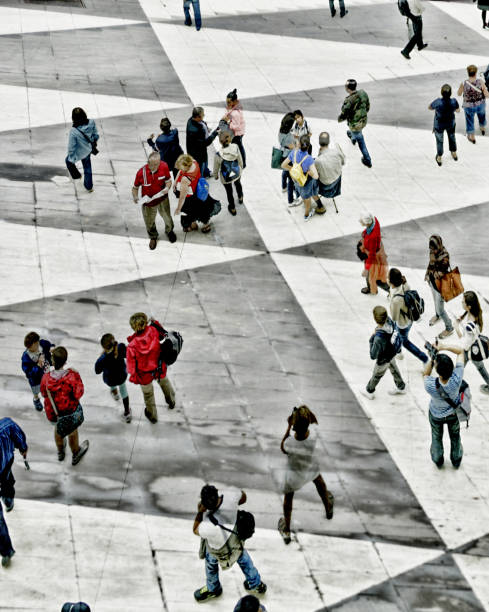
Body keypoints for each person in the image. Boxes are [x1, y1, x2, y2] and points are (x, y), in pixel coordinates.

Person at [193, 484, 267, 603]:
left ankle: (213, 589)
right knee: (244, 560)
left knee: (211, 565)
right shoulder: (230, 495)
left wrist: (199, 512)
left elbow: (195, 530)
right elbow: (243, 497)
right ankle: (256, 584)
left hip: (217, 549)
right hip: (236, 540)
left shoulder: (207, 525)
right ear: (217, 493)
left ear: (204, 504)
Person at [277, 406, 334, 545]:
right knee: (321, 485)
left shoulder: (290, 442)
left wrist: (288, 426)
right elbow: (308, 423)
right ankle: (328, 508)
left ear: (294, 426)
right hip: (310, 469)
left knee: (288, 500)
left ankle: (286, 530)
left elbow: (283, 447)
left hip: (294, 475)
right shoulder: (313, 436)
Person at [41, 346, 89, 466]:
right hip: (70, 412)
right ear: (65, 361)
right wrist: (77, 374)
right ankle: (76, 453)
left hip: (54, 414)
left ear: (52, 361)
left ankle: (61, 452)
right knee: (72, 433)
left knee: (58, 430)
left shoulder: (46, 378)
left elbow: (43, 393)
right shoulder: (71, 376)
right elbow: (79, 393)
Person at [126, 312, 175, 424]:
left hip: (144, 375)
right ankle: (171, 401)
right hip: (159, 367)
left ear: (133, 327)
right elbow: (164, 334)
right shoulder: (153, 330)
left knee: (148, 395)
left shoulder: (132, 346)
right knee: (165, 383)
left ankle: (152, 415)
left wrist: (134, 375)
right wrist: (154, 322)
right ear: (145, 322)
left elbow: (131, 368)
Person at [423, 344, 464, 468]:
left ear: (437, 370)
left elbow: (425, 373)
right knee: (455, 437)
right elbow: (461, 352)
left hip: (436, 414)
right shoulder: (457, 379)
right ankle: (456, 460)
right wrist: (442, 347)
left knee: (436, 437)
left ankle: (437, 459)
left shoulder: (429, 385)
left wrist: (432, 359)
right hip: (453, 414)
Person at [132, 151, 176, 250]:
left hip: (162, 199)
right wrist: (135, 197)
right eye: (153, 164)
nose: (155, 166)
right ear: (148, 162)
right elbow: (135, 188)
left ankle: (169, 231)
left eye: (157, 164)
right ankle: (153, 236)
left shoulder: (164, 166)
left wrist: (167, 188)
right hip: (148, 203)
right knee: (149, 221)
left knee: (167, 217)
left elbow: (168, 181)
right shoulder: (141, 173)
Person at [362, 305, 407, 400]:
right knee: (394, 368)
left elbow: (373, 355)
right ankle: (401, 386)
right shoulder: (390, 321)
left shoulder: (379, 337)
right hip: (392, 352)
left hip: (384, 358)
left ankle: (369, 391)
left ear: (375, 319)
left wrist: (372, 339)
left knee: (377, 374)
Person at [281, 135, 326, 221]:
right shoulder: (309, 159)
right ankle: (307, 214)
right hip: (306, 181)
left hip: (297, 179)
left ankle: (319, 205)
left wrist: (293, 169)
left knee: (305, 193)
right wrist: (309, 172)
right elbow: (316, 176)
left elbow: (283, 165)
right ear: (308, 146)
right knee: (307, 197)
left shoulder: (293, 153)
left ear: (298, 144)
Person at [452, 291, 489, 394]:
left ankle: (452, 388)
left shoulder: (469, 325)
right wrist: (462, 318)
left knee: (459, 368)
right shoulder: (475, 312)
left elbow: (465, 344)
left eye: (463, 302)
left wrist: (457, 328)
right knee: (480, 367)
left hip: (470, 350)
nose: (461, 303)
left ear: (469, 306)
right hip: (475, 346)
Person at [389, 268, 428, 363]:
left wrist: (392, 305)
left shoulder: (396, 300)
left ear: (390, 281)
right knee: (397, 335)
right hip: (410, 318)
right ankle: (398, 352)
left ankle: (424, 358)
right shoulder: (404, 285)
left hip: (403, 324)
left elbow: (394, 317)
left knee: (405, 341)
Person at [174, 154, 218, 233]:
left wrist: (178, 208)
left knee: (191, 211)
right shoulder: (194, 162)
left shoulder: (185, 179)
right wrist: (175, 181)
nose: (180, 170)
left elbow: (182, 197)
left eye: (181, 168)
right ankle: (205, 225)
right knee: (203, 210)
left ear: (186, 167)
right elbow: (180, 171)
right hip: (199, 192)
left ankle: (193, 224)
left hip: (190, 197)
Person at [95, 334, 132, 423]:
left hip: (110, 379)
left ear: (103, 347)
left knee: (112, 383)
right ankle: (127, 412)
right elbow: (128, 355)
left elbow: (97, 371)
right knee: (124, 391)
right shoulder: (121, 347)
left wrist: (101, 356)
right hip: (121, 376)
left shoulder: (102, 359)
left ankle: (115, 393)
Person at [424, 235, 454, 339]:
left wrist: (432, 272)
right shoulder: (432, 251)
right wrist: (427, 274)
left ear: (439, 245)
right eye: (431, 249)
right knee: (435, 302)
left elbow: (442, 272)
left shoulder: (445, 256)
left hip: (441, 286)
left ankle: (449, 327)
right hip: (433, 282)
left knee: (440, 308)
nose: (433, 251)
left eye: (435, 249)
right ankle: (437, 316)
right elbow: (430, 263)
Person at [338, 80, 372, 168]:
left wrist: (340, 119)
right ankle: (353, 136)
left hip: (355, 124)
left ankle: (367, 159)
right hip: (363, 120)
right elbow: (367, 106)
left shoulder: (349, 100)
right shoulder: (363, 93)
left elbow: (344, 113)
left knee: (361, 142)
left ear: (348, 88)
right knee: (355, 132)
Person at [65, 107, 99, 192]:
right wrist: (93, 141)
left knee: (68, 161)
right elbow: (96, 135)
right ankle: (89, 187)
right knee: (87, 167)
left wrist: (71, 155)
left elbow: (71, 146)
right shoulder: (91, 122)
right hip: (88, 150)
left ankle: (77, 176)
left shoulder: (74, 131)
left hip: (79, 152)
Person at [0, 417, 28, 517]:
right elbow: (18, 435)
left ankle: (8, 500)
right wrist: (23, 448)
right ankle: (8, 501)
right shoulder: (6, 425)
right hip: (5, 462)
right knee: (6, 481)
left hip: (5, 461)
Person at [213, 131, 244, 216]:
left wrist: (215, 176)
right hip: (236, 172)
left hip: (226, 177)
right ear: (229, 139)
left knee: (229, 192)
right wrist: (240, 167)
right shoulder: (235, 147)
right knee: (238, 183)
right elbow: (240, 159)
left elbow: (216, 168)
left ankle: (232, 208)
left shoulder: (218, 155)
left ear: (220, 142)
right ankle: (240, 197)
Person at [21, 331, 54, 411]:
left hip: (46, 373)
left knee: (48, 389)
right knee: (36, 391)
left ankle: (49, 402)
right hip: (36, 380)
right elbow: (29, 373)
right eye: (35, 344)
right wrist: (38, 365)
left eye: (37, 343)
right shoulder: (26, 357)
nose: (37, 345)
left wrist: (51, 347)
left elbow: (47, 344)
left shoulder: (41, 344)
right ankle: (36, 399)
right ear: (30, 346)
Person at [429, 84, 460, 166]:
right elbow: (458, 110)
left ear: (441, 92)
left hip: (439, 125)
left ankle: (439, 156)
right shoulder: (453, 101)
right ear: (451, 93)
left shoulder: (438, 102)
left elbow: (430, 107)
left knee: (439, 141)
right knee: (452, 137)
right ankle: (453, 152)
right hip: (450, 123)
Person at [358, 214, 389, 295]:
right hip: (374, 253)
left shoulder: (373, 238)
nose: (360, 222)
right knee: (372, 277)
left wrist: (367, 268)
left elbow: (372, 254)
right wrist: (365, 233)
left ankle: (390, 290)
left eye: (362, 221)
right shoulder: (374, 220)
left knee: (374, 277)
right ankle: (371, 288)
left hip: (374, 258)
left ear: (367, 223)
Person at [457, 64, 488, 144]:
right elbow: (487, 95)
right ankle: (482, 127)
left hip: (468, 106)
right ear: (476, 72)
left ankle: (472, 137)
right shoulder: (480, 82)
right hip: (480, 104)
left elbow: (459, 94)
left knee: (469, 120)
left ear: (468, 73)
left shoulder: (464, 83)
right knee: (482, 115)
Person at [314, 131, 345, 211]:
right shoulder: (337, 152)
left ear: (319, 142)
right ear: (329, 141)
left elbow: (316, 174)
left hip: (326, 186)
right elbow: (343, 163)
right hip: (337, 182)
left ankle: (319, 205)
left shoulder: (317, 160)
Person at [186, 107, 218, 177]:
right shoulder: (195, 130)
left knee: (205, 162)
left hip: (199, 150)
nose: (204, 115)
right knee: (201, 167)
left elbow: (202, 123)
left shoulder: (191, 120)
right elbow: (205, 143)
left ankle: (206, 172)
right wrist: (215, 133)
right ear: (198, 117)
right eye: (203, 115)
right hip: (197, 153)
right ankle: (201, 179)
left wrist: (206, 127)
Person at [221, 89, 246, 168]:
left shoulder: (236, 113)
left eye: (229, 102)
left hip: (237, 133)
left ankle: (242, 162)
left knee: (238, 147)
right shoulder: (233, 108)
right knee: (238, 146)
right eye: (227, 102)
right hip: (237, 132)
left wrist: (229, 124)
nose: (227, 104)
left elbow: (237, 126)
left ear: (234, 101)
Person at [278, 112, 299, 206]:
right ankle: (291, 200)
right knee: (291, 179)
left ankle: (283, 187)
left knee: (285, 171)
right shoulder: (289, 137)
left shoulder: (281, 131)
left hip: (283, 155)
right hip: (289, 157)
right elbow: (293, 147)